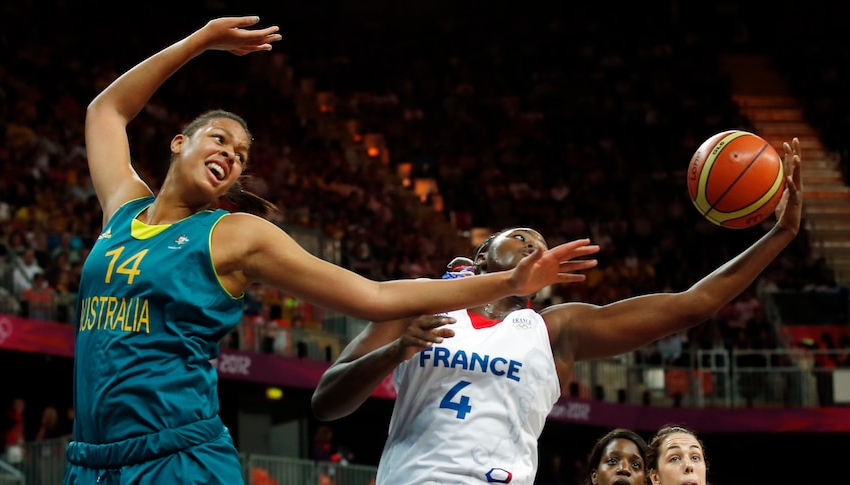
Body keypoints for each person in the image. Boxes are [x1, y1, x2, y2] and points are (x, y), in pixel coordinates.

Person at [64, 15, 599, 485]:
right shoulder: (123, 209)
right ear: (179, 142)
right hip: (89, 457)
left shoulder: (234, 234)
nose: (230, 154)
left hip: (177, 456)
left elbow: (372, 295)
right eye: (219, 139)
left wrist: (509, 284)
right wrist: (200, 41)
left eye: (240, 154)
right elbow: (105, 112)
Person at [311, 138, 803, 484]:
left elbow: (691, 307)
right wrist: (396, 351)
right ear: (481, 256)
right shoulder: (421, 302)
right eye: (521, 236)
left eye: (541, 243)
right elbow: (326, 401)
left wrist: (778, 235)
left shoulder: (554, 329)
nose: (534, 245)